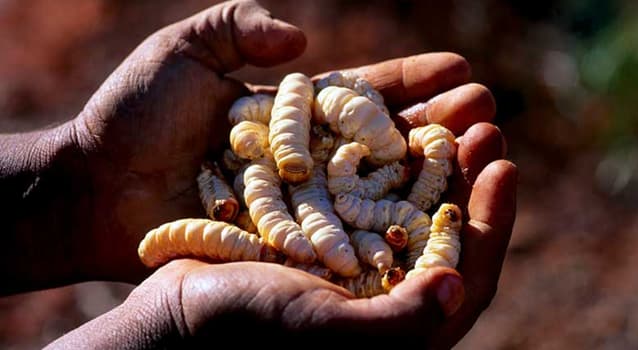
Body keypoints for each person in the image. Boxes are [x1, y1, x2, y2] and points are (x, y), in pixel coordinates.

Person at [0, 0, 517, 348]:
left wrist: (78, 173)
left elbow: (348, 192)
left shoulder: (337, 186)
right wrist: (172, 326)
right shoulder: (294, 178)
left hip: (343, 198)